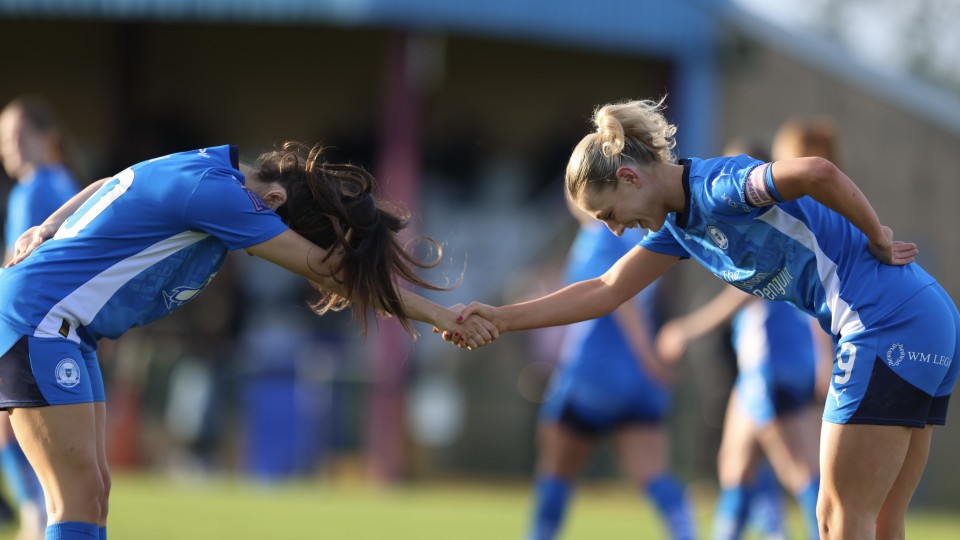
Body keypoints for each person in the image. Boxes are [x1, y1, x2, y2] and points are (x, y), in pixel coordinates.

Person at [454, 97, 959, 540]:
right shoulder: (681, 226)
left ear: (630, 177)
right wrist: (500, 317)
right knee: (883, 523)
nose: (612, 231)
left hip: (882, 324)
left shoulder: (718, 189)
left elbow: (815, 172)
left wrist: (877, 238)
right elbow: (606, 291)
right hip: (927, 317)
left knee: (838, 521)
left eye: (608, 214)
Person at [0, 142, 495, 540]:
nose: (266, 247)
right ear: (275, 201)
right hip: (40, 319)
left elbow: (109, 183)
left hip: (68, 328)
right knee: (76, 495)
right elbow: (331, 273)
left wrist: (47, 226)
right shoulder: (222, 196)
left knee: (94, 492)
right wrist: (439, 313)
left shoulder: (209, 166)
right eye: (275, 233)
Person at [656, 127, 842, 540]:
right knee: (735, 468)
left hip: (772, 363)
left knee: (801, 476)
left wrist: (688, 329)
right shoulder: (776, 223)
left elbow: (744, 299)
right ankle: (771, 527)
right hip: (772, 365)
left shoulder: (754, 227)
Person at [527, 199, 693, 540]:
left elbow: (621, 301)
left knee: (557, 470)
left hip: (594, 371)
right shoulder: (638, 236)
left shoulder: (600, 236)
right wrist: (649, 365)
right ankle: (685, 530)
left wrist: (648, 355)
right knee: (652, 473)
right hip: (638, 382)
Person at [1, 95, 83, 540]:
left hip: (28, 327)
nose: (9, 148)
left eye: (17, 137)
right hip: (53, 326)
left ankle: (36, 516)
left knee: (14, 434)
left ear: (45, 137)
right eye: (2, 140)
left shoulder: (40, 187)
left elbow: (23, 265)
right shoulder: (52, 182)